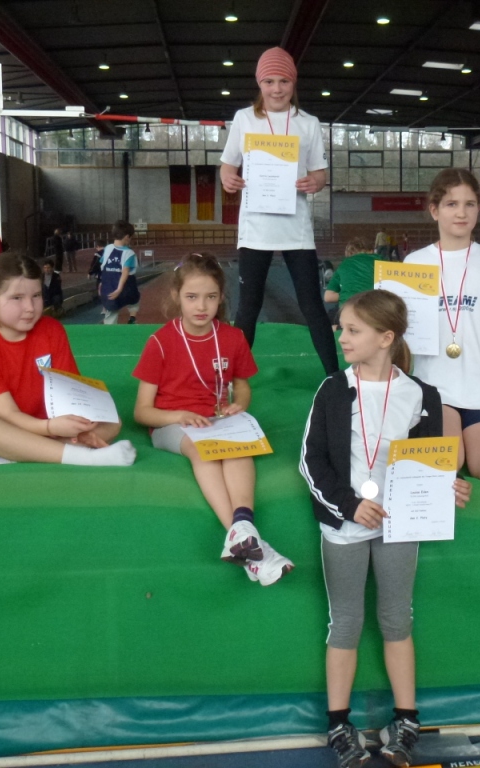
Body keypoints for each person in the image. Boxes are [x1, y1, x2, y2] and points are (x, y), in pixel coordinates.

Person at [299, 289, 472, 768]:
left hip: (400, 526)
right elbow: (311, 463)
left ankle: (406, 718)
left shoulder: (422, 395)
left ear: (385, 338)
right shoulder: (332, 389)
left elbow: (428, 464)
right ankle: (339, 723)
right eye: (342, 327)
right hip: (345, 527)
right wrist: (349, 505)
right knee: (346, 623)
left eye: (353, 330)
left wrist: (449, 487)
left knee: (398, 619)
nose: (341, 336)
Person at [132, 253, 293, 586]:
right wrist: (179, 415)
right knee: (203, 450)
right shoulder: (160, 342)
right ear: (176, 296)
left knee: (240, 448)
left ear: (222, 297)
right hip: (171, 424)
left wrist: (239, 404)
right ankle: (243, 535)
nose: (201, 306)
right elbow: (142, 411)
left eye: (210, 297)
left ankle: (244, 531)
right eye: (192, 297)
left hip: (217, 421)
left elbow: (242, 386)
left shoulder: (232, 338)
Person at [0, 254, 135, 468]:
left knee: (112, 419)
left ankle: (11, 457)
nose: (29, 307)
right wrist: (49, 427)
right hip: (3, 432)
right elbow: (8, 414)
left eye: (36, 295)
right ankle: (83, 456)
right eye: (17, 298)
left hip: (52, 428)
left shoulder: (52, 330)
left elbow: (70, 390)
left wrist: (80, 421)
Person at [219, 46, 339, 376]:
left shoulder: (308, 123)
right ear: (259, 84)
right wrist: (228, 178)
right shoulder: (244, 119)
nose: (276, 89)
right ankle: (231, 380)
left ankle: (334, 376)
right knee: (248, 306)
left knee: (312, 305)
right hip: (255, 229)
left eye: (284, 81)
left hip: (295, 230)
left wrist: (315, 182)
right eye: (269, 81)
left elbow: (320, 173)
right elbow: (228, 164)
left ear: (293, 83)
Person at [404, 169, 480, 485]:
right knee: (446, 464)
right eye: (451, 204)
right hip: (434, 391)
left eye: (470, 204)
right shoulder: (413, 264)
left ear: (478, 209)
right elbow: (398, 335)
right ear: (434, 210)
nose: (461, 212)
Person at [324, 238, 377, 327]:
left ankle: (338, 328)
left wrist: (349, 292)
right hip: (376, 311)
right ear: (372, 251)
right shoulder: (382, 261)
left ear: (349, 254)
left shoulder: (345, 264)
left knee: (330, 316)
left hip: (347, 310)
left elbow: (328, 297)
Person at [99, 220, 140, 325]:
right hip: (126, 287)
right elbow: (125, 272)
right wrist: (119, 289)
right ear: (127, 237)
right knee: (134, 300)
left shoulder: (107, 248)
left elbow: (103, 266)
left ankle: (110, 327)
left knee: (111, 308)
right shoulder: (129, 253)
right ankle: (132, 318)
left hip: (109, 285)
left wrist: (101, 282)